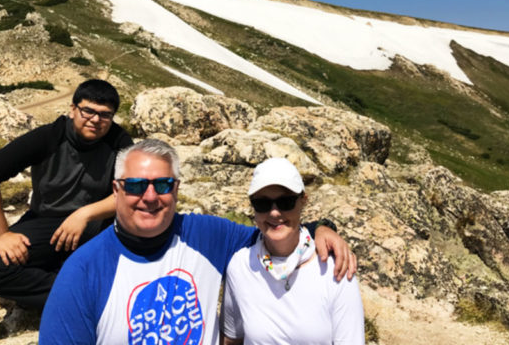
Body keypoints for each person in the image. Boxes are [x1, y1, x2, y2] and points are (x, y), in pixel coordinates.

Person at [38, 139, 356, 345]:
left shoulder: (205, 236)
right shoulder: (83, 271)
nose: (150, 197)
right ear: (117, 190)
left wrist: (319, 228)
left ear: (176, 189)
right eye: (136, 185)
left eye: (162, 184)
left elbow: (273, 231)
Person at [0, 79, 133, 310]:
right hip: (47, 222)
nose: (96, 120)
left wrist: (84, 215)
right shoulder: (49, 137)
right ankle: (81, 296)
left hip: (99, 223)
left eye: (105, 115)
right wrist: (2, 235)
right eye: (88, 111)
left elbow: (130, 191)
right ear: (73, 109)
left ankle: (74, 289)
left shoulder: (119, 141)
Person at [220, 157, 365, 345]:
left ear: (303, 201)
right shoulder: (241, 266)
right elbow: (232, 339)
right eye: (262, 204)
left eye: (285, 202)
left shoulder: (335, 270)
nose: (274, 212)